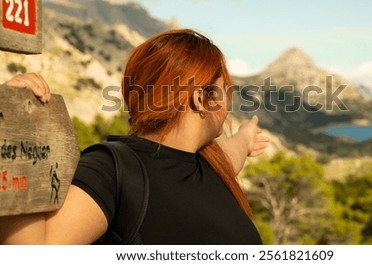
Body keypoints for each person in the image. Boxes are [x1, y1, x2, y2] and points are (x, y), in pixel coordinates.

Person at [0, 28, 269, 244]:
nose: (228, 105)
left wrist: (246, 138)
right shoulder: (112, 170)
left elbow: (233, 150)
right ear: (200, 98)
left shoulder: (210, 165)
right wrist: (12, 122)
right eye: (225, 91)